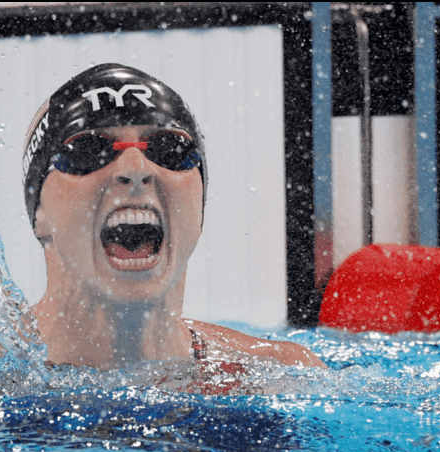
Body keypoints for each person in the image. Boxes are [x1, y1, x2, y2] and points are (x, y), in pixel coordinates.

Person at [22, 63, 324, 379]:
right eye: (88, 150)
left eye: (169, 148)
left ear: (201, 202)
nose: (136, 168)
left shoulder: (281, 373)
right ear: (39, 212)